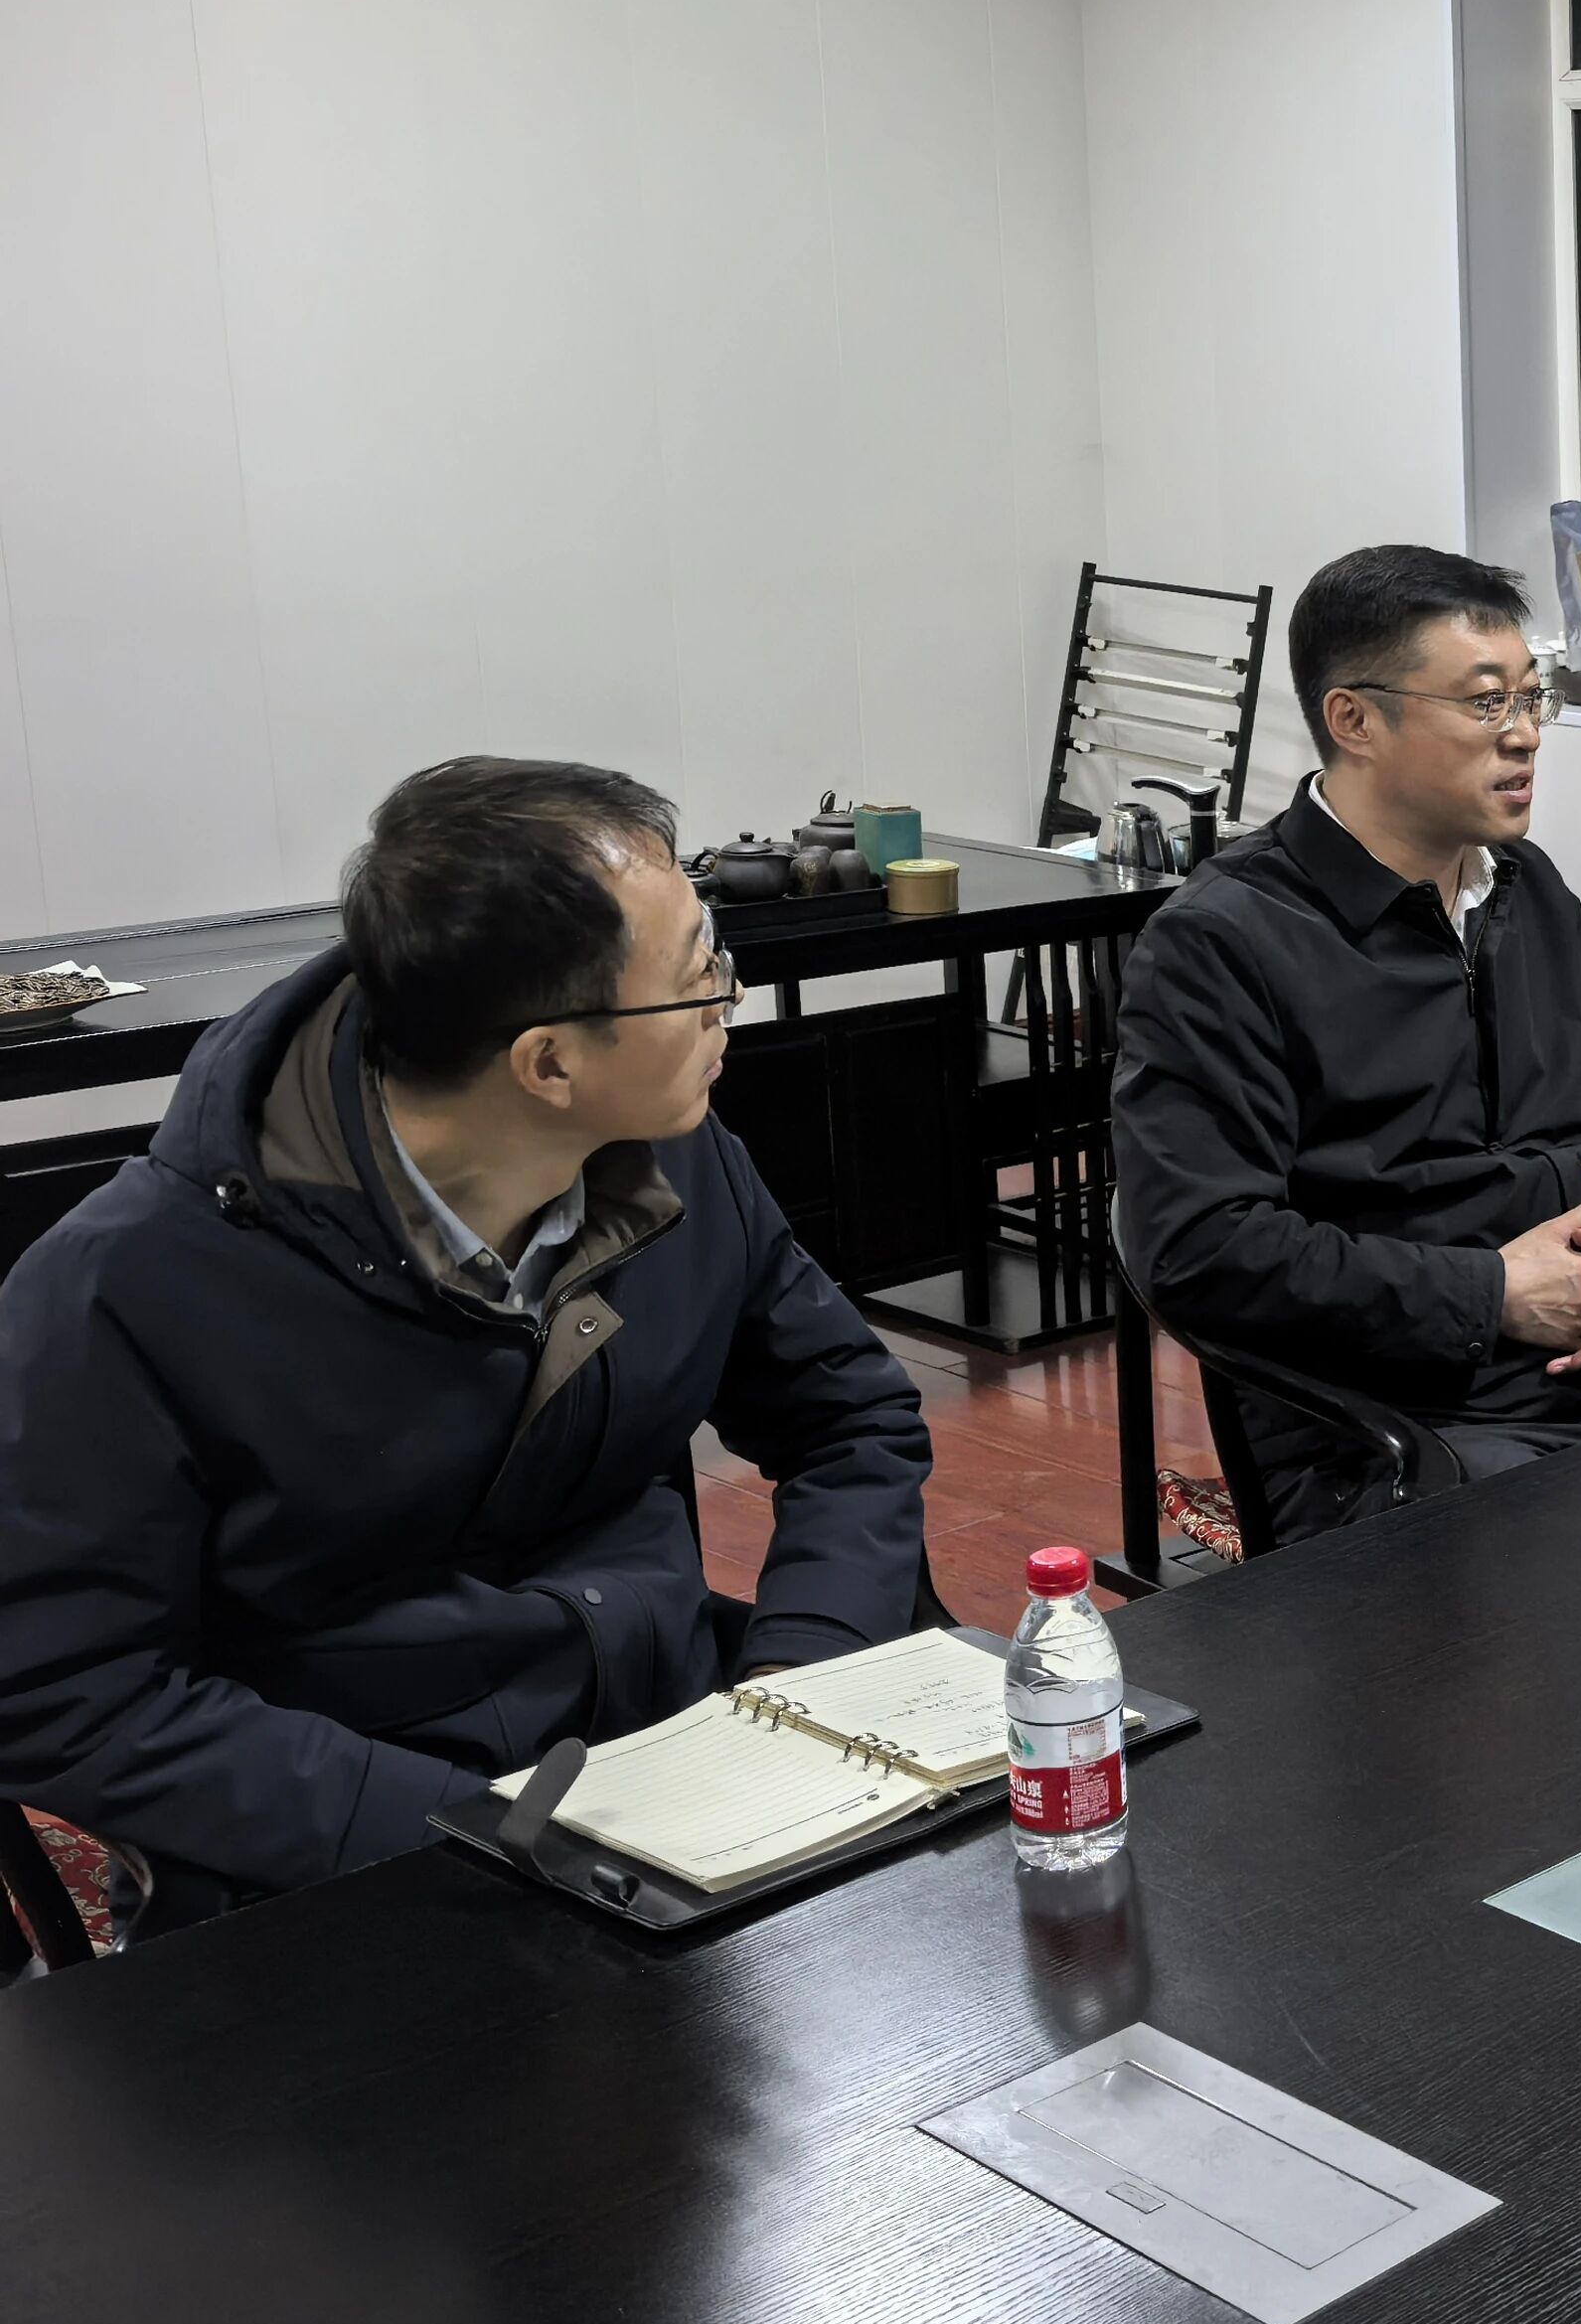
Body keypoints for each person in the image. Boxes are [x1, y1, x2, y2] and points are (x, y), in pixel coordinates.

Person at [0, 759, 930, 1930]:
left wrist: (803, 1676)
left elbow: (851, 1418)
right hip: (349, 1857)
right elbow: (64, 1691)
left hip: (669, 1766)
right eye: (698, 977)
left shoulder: (673, 1159)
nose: (725, 1004)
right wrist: (481, 1838)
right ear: (549, 1063)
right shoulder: (129, 1287)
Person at [1113, 542, 1581, 1519]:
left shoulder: (1522, 889)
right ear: (1355, 720)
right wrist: (1492, 1292)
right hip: (1385, 1431)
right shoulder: (1220, 942)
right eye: (1486, 702)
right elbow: (1202, 1247)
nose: (1525, 735)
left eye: (1532, 699)